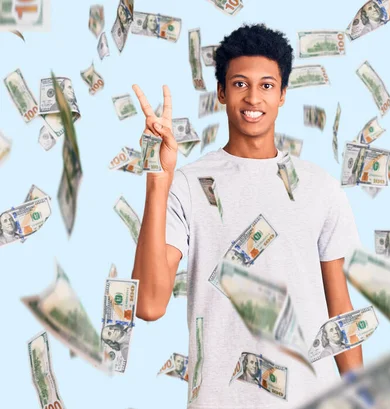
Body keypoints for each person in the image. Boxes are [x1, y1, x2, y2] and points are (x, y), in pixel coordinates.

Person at [131, 23, 362, 408]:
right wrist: (159, 178)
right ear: (221, 91)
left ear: (283, 94)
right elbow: (149, 305)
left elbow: (339, 305)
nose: (253, 97)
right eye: (240, 83)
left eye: (267, 85)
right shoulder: (187, 185)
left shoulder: (320, 187)